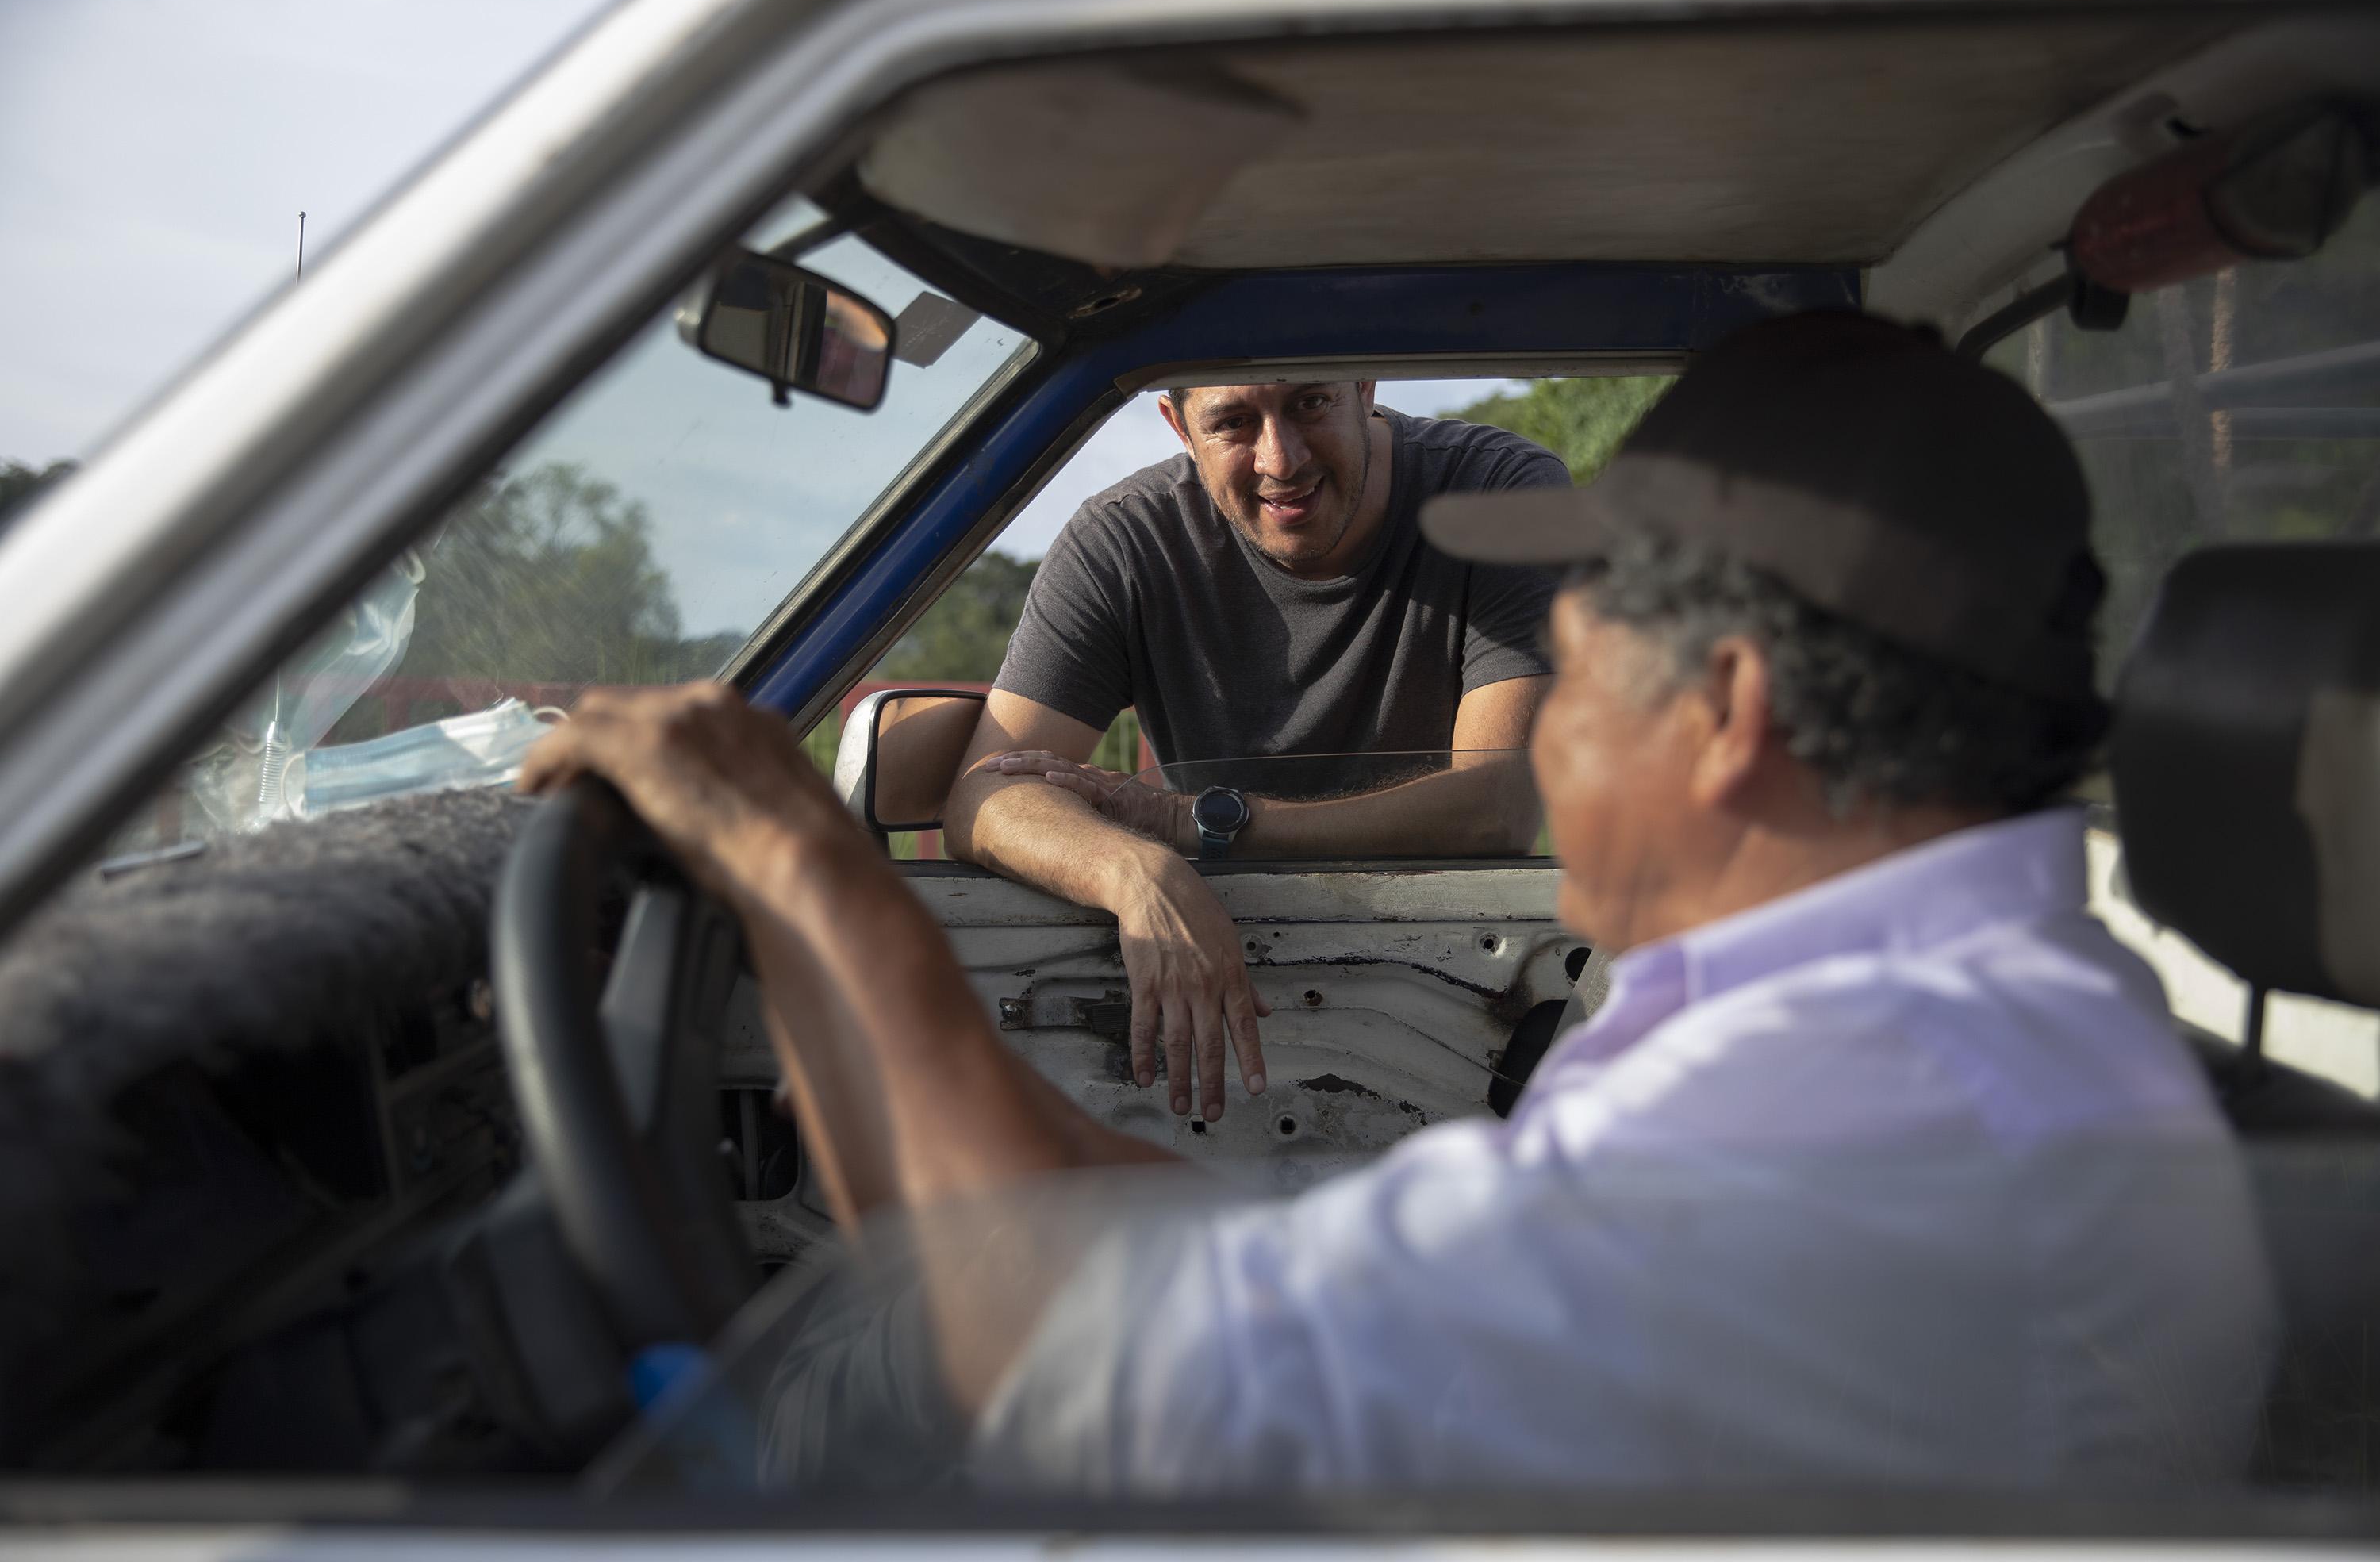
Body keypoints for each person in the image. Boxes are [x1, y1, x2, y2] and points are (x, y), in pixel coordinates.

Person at [521, 313, 2272, 1491]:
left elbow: (1065, 1340)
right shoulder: (1932, 1026)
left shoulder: (1856, 1105)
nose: (1541, 749)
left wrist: (805, 861)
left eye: (1573, 674)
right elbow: (1176, 1284)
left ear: (1725, 715)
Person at [942, 382, 1568, 1123]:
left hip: (1473, 1001)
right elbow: (984, 795)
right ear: (1179, 425)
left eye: (1309, 403)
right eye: (1234, 422)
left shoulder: (1501, 492)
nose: (1282, 459)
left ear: (1364, 385)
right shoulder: (1124, 540)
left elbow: (1497, 805)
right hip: (1229, 995)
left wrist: (1194, 825)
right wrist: (1138, 873)